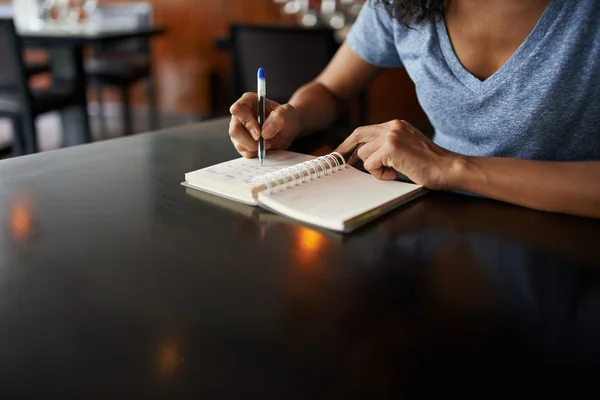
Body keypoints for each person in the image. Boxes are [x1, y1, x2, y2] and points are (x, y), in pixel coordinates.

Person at [228, 0, 600, 219]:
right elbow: (330, 88)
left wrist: (453, 167)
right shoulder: (399, 4)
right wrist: (293, 116)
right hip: (441, 222)